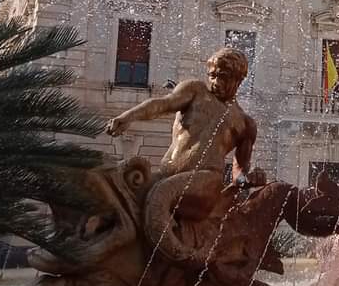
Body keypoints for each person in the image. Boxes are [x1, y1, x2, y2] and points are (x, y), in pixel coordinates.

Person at [105, 47, 261, 188]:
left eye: (224, 77)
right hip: (167, 177)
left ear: (239, 80)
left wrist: (248, 179)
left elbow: (239, 172)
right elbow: (162, 104)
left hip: (204, 184)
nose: (216, 83)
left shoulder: (245, 123)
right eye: (213, 76)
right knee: (120, 191)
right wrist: (129, 116)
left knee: (159, 198)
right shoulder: (195, 91)